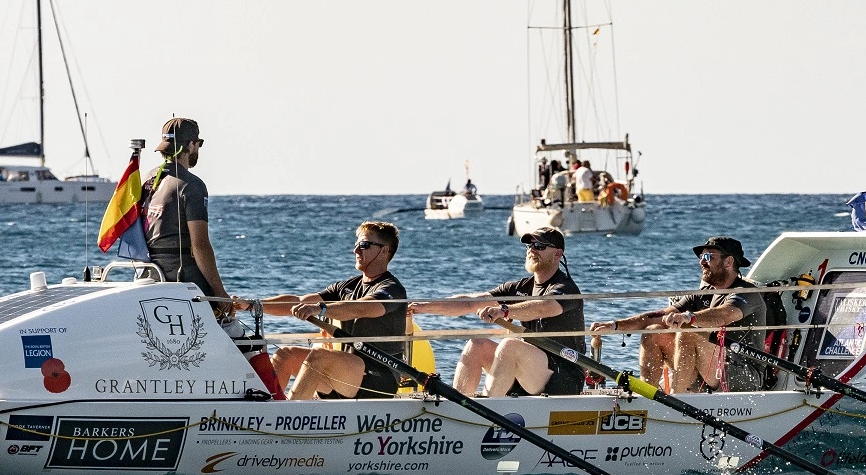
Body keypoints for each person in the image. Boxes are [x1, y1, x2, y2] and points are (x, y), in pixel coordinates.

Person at [409, 228, 584, 398]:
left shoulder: (565, 287)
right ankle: (457, 407)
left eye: (540, 246)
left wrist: (505, 310)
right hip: (530, 370)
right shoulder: (519, 288)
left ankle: (485, 411)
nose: (532, 250)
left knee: (509, 346)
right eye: (529, 245)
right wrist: (422, 307)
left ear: (557, 254)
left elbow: (544, 307)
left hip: (564, 375)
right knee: (477, 345)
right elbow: (471, 302)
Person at [592, 235, 768, 393]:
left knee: (688, 331)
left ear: (728, 262)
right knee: (653, 331)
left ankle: (677, 399)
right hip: (707, 370)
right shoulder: (703, 293)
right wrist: (615, 325)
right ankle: (647, 397)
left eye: (708, 257)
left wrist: (689, 317)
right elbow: (659, 315)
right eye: (701, 257)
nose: (702, 262)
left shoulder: (747, 293)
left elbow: (725, 315)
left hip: (743, 374)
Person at [262, 221, 407, 400]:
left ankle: (289, 418)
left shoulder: (392, 288)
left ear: (384, 251)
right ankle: (268, 411)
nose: (356, 251)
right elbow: (299, 301)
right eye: (356, 245)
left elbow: (362, 307)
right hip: (347, 375)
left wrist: (320, 309)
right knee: (285, 354)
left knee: (320, 357)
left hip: (379, 377)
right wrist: (253, 305)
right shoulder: (345, 287)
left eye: (364, 245)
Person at [143, 117, 234, 306]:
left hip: (149, 273)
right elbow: (200, 245)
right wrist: (219, 293)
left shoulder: (149, 179)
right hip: (181, 275)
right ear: (191, 145)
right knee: (226, 320)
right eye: (198, 144)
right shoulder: (192, 185)